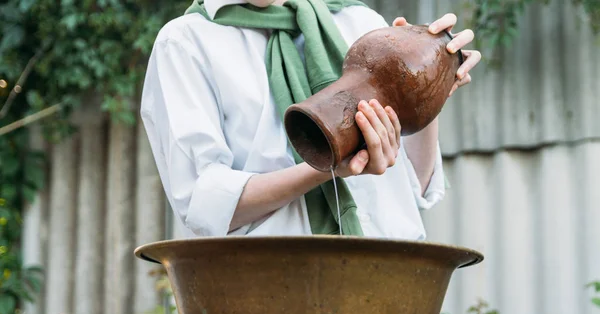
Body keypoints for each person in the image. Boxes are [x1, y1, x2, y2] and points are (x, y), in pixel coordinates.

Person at [140, 0, 481, 239]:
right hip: (265, 291)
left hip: (386, 282)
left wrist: (431, 88)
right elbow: (204, 205)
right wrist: (323, 168)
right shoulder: (187, 42)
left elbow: (412, 187)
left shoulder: (360, 23)